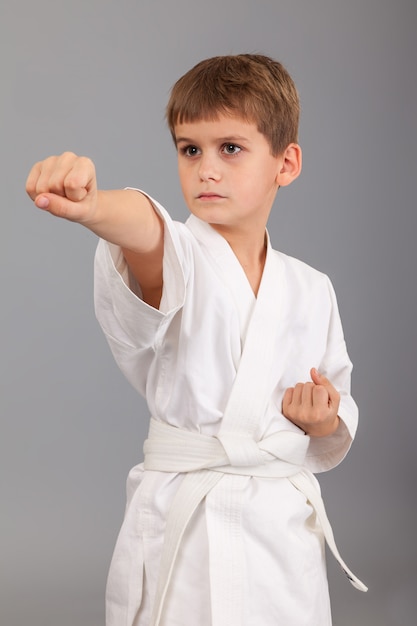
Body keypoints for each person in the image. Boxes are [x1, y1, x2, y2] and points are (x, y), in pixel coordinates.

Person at [26, 54, 366, 626]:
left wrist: (323, 417)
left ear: (287, 162)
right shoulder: (180, 256)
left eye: (230, 148)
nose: (206, 169)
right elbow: (146, 224)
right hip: (187, 518)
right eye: (190, 149)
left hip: (279, 525)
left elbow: (336, 410)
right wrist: (95, 207)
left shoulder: (313, 288)